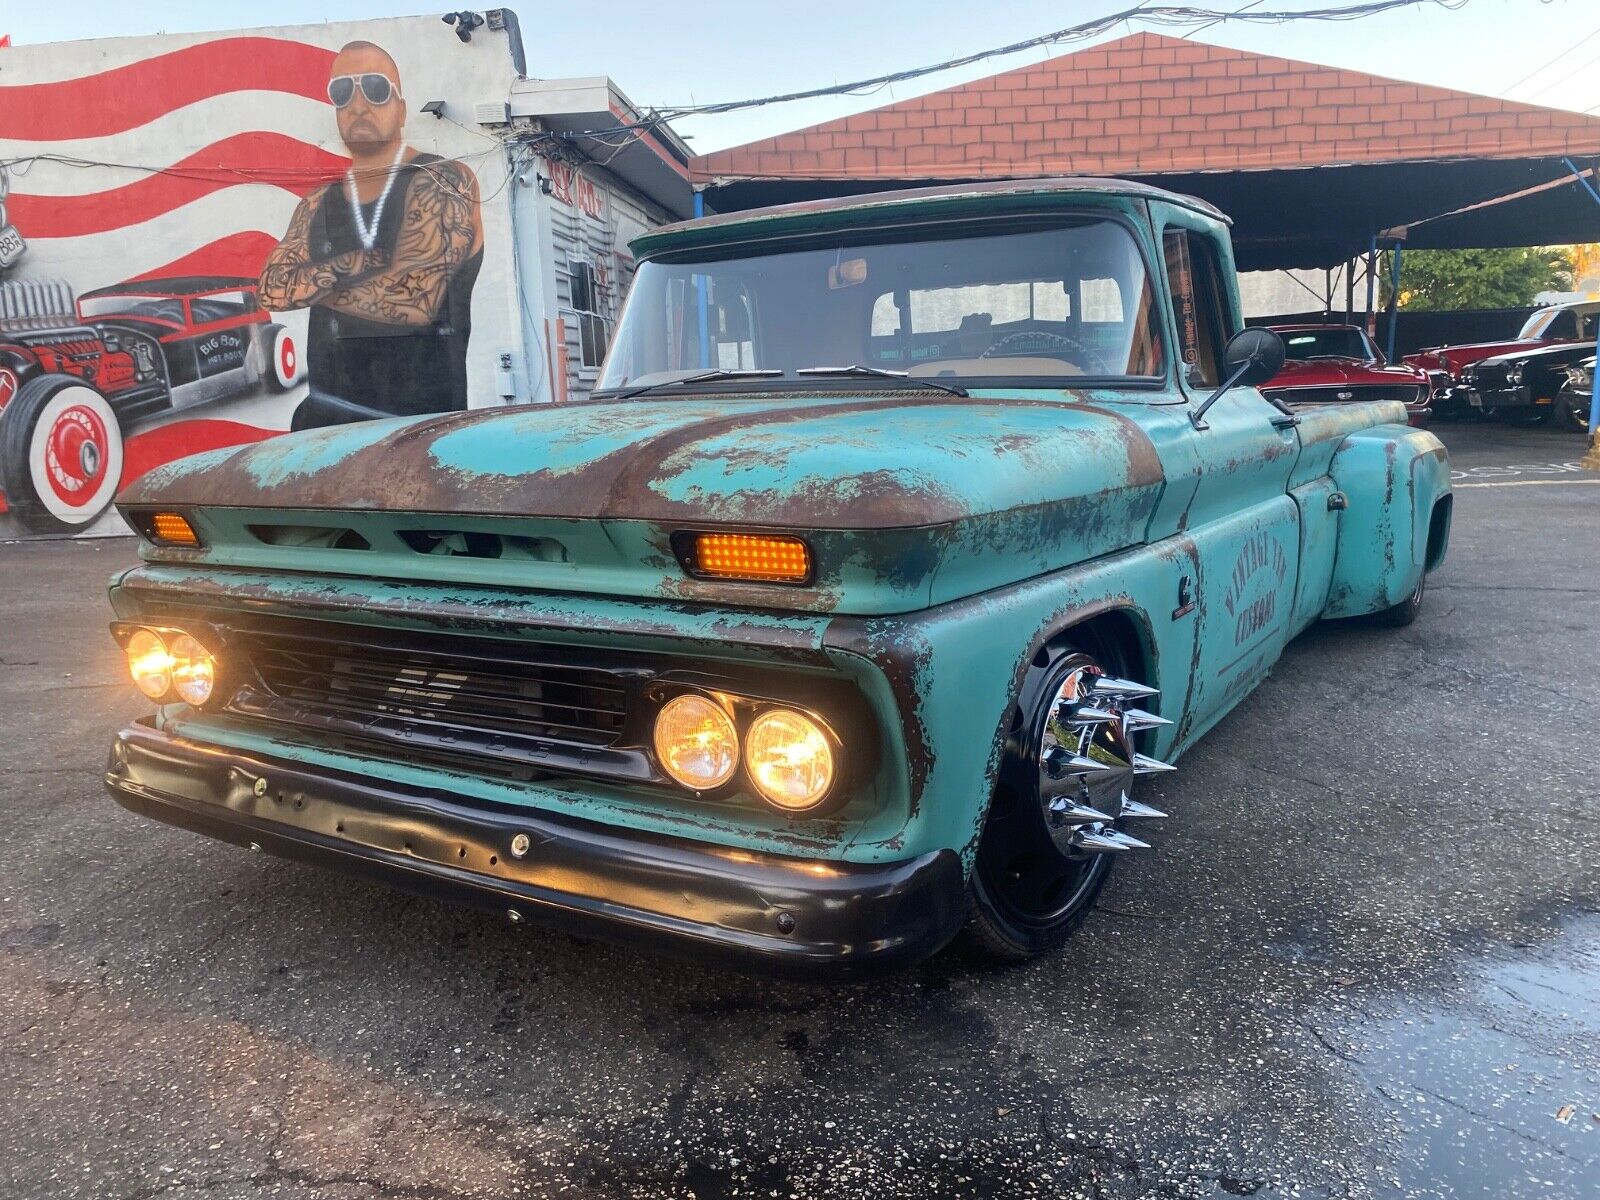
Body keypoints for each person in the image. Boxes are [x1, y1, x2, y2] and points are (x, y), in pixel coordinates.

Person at [258, 40, 484, 429]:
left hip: (423, 433)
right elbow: (271, 289)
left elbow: (414, 298)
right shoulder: (316, 202)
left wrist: (314, 284)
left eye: (376, 89)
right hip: (326, 434)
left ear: (402, 109)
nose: (358, 105)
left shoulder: (444, 180)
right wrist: (358, 262)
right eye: (342, 93)